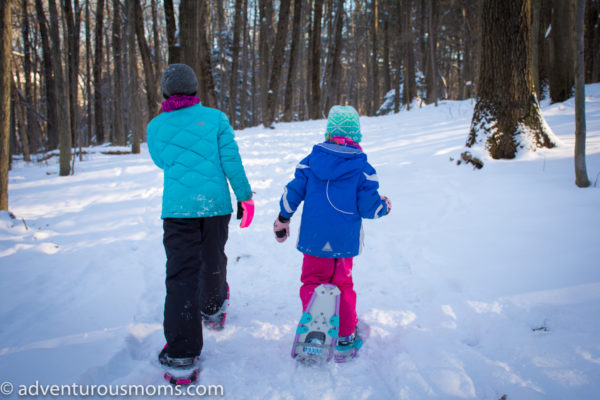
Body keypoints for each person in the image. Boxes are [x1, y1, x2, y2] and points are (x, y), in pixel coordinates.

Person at [147, 64, 253, 377]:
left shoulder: (156, 126)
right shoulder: (217, 119)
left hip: (178, 211)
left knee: (181, 275)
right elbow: (231, 159)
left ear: (165, 93)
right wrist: (244, 196)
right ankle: (212, 307)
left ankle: (181, 352)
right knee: (212, 257)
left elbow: (161, 161)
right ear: (195, 90)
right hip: (216, 206)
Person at [273, 105, 391, 360]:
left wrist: (283, 218)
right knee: (342, 285)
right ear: (356, 135)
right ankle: (346, 338)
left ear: (329, 132)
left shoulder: (311, 160)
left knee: (312, 283)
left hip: (314, 240)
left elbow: (292, 192)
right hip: (342, 243)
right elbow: (370, 207)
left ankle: (314, 328)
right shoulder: (362, 167)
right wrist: (385, 205)